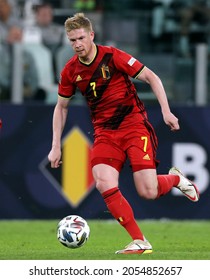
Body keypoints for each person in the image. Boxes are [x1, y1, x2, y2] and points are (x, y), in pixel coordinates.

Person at [48, 13, 200, 254]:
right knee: (102, 181)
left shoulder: (112, 56)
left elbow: (151, 77)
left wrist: (166, 112)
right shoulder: (70, 71)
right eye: (72, 40)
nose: (77, 44)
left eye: (80, 38)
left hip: (134, 126)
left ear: (91, 35)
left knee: (147, 191)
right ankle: (140, 240)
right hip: (105, 133)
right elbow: (61, 107)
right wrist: (56, 145)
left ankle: (176, 179)